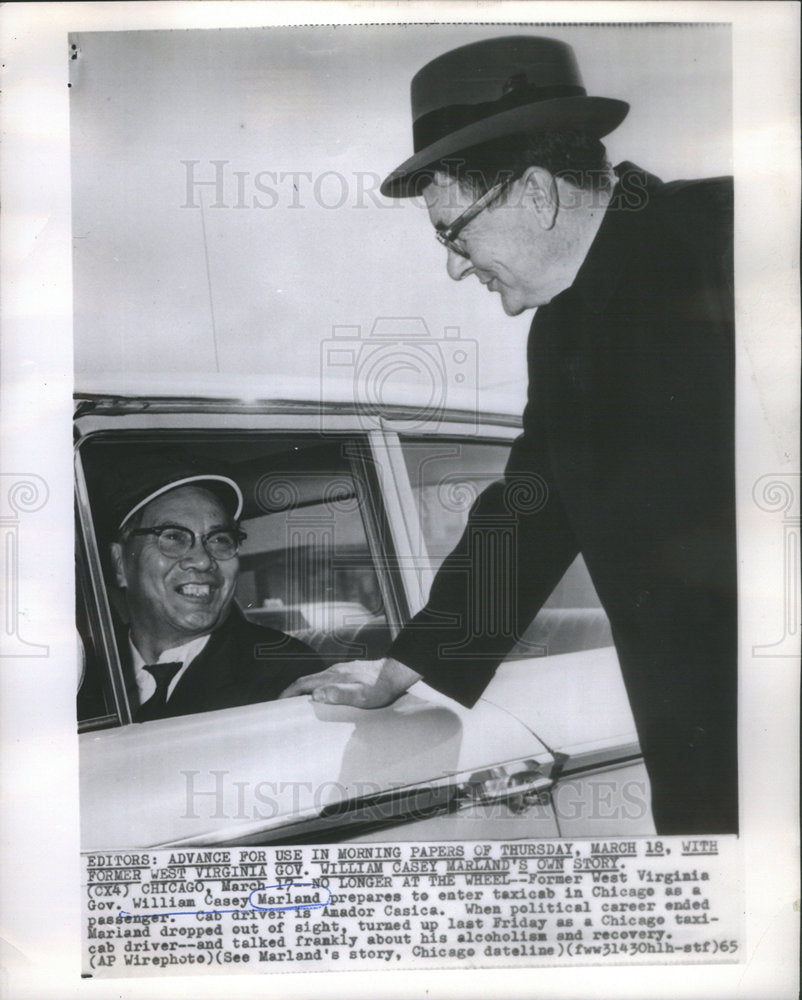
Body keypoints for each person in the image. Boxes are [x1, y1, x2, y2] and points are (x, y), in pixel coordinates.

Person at [281, 35, 737, 836]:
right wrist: (413, 662)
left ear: (534, 193)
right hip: (711, 769)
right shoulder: (565, 331)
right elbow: (532, 506)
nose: (455, 268)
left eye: (453, 233)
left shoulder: (735, 237)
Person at [104, 450, 324, 721]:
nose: (202, 560)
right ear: (119, 564)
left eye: (219, 539)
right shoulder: (81, 675)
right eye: (173, 537)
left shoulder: (282, 671)